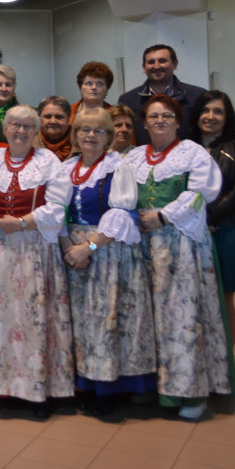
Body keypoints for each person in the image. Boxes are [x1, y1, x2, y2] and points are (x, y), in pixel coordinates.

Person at [126, 93, 230, 420]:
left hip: (180, 244)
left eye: (166, 116)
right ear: (143, 123)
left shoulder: (192, 153)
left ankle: (191, 391)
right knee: (147, 318)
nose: (160, 121)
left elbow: (202, 192)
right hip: (142, 247)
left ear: (177, 121)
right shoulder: (134, 157)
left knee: (182, 320)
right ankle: (153, 386)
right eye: (153, 116)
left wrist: (165, 216)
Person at [0, 105, 73, 418]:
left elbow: (58, 207)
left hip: (34, 248)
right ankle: (5, 388)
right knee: (3, 317)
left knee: (35, 317)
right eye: (15, 125)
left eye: (28, 127)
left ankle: (37, 390)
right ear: (4, 129)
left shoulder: (49, 162)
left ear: (36, 132)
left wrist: (22, 222)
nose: (20, 131)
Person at [58, 108, 155, 417]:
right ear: (74, 136)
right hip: (72, 250)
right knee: (80, 320)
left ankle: (110, 388)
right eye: (84, 130)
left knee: (106, 317)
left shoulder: (118, 166)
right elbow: (56, 210)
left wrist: (88, 247)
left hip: (107, 249)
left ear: (109, 137)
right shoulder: (66, 167)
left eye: (98, 131)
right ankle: (85, 383)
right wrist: (68, 248)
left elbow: (122, 211)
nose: (90, 135)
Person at [190, 90, 235, 344]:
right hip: (190, 232)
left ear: (227, 116)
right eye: (205, 110)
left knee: (224, 296)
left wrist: (208, 217)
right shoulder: (185, 147)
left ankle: (226, 364)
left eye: (218, 111)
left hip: (228, 228)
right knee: (193, 296)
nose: (210, 116)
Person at [117, 44, 207, 144]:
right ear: (144, 67)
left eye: (162, 61)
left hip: (188, 158)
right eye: (151, 62)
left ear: (175, 64)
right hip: (144, 158)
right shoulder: (128, 101)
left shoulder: (197, 96)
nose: (156, 66)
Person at [32, 96, 73, 161]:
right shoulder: (28, 143)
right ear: (39, 118)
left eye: (59, 117)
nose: (53, 121)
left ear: (68, 118)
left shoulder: (81, 144)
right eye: (48, 116)